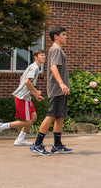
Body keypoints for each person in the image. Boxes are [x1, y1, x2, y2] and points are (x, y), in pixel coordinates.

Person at [31, 26, 72, 155]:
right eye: (63, 34)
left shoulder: (58, 50)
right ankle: (37, 144)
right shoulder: (55, 50)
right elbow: (53, 67)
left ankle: (57, 145)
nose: (66, 37)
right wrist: (61, 84)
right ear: (56, 36)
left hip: (61, 90)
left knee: (60, 117)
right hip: (57, 90)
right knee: (51, 116)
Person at [0, 49, 46, 145]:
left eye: (44, 55)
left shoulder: (34, 67)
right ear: (35, 57)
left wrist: (35, 95)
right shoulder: (34, 68)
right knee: (26, 122)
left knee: (33, 117)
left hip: (26, 97)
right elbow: (26, 82)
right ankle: (1, 126)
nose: (44, 57)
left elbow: (24, 82)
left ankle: (20, 139)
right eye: (41, 55)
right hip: (22, 97)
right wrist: (36, 92)